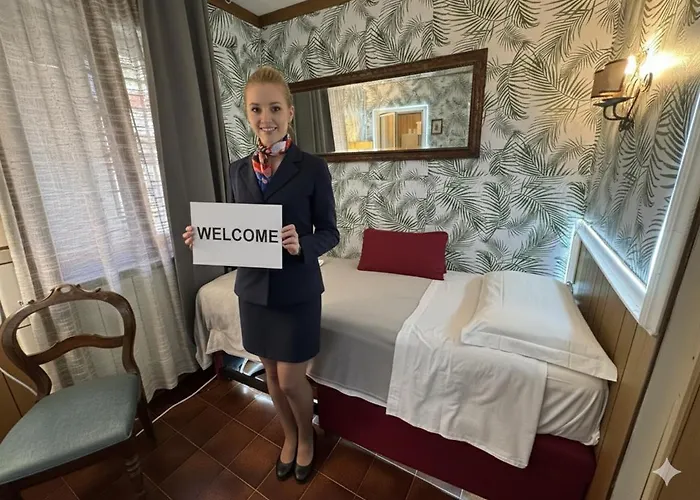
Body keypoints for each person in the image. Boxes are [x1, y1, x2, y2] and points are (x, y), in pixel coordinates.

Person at [183, 66, 339, 484]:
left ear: (290, 112)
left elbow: (330, 232)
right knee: (269, 373)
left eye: (274, 108)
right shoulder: (237, 171)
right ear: (247, 114)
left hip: (297, 289)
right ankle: (289, 436)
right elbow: (239, 228)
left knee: (290, 380)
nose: (265, 118)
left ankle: (307, 436)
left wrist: (303, 244)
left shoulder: (312, 168)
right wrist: (206, 236)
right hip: (253, 290)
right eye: (256, 109)